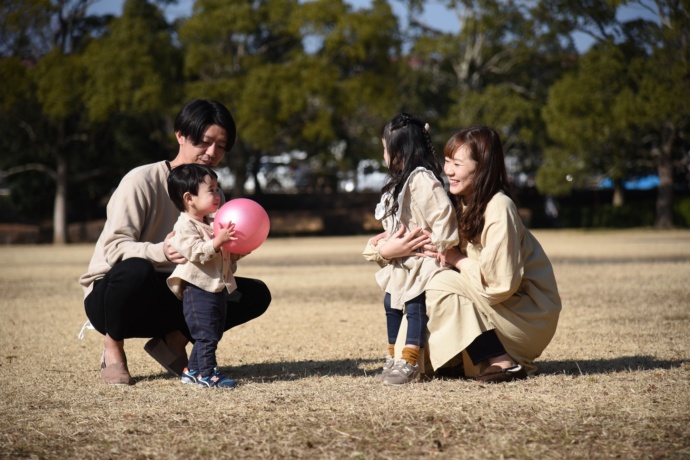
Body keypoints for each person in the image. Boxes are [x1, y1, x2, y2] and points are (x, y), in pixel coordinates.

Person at [79, 99, 271, 385]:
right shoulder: (141, 181)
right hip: (115, 298)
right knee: (136, 269)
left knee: (253, 294)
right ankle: (112, 347)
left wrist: (237, 248)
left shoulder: (215, 196)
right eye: (204, 142)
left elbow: (210, 260)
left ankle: (172, 342)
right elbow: (114, 247)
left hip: (177, 291)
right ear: (180, 135)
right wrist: (160, 251)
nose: (211, 153)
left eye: (221, 146)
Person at [374, 125, 561, 383]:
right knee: (417, 292)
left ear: (483, 166)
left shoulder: (499, 207)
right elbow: (399, 238)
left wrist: (455, 259)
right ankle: (468, 358)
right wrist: (386, 250)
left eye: (457, 164)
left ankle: (500, 360)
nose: (448, 170)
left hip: (524, 315)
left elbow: (500, 285)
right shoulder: (456, 203)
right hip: (492, 308)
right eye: (447, 161)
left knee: (437, 283)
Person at [362, 113, 459, 385]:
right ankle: (393, 355)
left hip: (421, 259)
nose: (383, 154)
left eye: (385, 148)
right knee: (390, 302)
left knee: (416, 305)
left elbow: (444, 215)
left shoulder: (422, 179)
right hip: (402, 260)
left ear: (398, 151)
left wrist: (442, 246)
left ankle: (410, 360)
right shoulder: (400, 182)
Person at [166, 164, 238, 389]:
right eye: (211, 190)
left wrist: (241, 246)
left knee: (214, 332)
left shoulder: (211, 223)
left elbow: (225, 256)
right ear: (189, 198)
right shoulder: (184, 226)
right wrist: (218, 241)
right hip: (197, 290)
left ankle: (192, 370)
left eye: (218, 189)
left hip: (215, 287)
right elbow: (196, 252)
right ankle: (207, 374)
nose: (217, 195)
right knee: (205, 334)